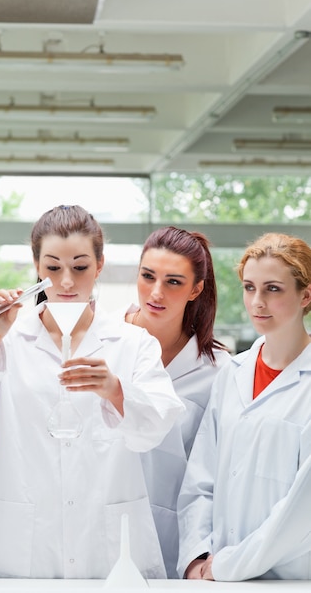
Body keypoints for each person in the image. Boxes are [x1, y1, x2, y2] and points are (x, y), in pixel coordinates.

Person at [0, 204, 185, 579]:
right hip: (24, 545)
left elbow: (156, 428)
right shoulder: (9, 338)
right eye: (52, 268)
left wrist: (116, 390)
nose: (66, 282)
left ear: (99, 266)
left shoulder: (132, 344)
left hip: (107, 546)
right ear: (36, 267)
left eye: (80, 267)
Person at [177, 232, 311, 581]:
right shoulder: (231, 374)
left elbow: (301, 510)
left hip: (289, 579)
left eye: (273, 289)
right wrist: (196, 557)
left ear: (306, 296)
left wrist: (228, 566)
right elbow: (200, 479)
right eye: (249, 287)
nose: (257, 302)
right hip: (215, 575)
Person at [123, 226, 231, 577]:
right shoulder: (104, 343)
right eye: (147, 276)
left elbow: (215, 471)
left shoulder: (218, 370)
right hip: (104, 530)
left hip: (177, 542)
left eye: (173, 282)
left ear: (196, 289)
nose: (155, 293)